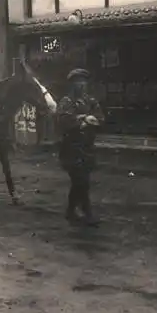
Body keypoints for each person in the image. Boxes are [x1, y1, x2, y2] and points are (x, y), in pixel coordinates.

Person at [56, 68, 105, 225]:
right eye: (77, 82)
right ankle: (87, 212)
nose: (81, 85)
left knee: (81, 181)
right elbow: (62, 120)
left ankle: (70, 211)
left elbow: (101, 118)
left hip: (87, 147)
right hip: (71, 148)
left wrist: (92, 119)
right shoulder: (66, 102)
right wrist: (83, 119)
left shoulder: (91, 101)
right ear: (72, 84)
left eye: (83, 81)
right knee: (81, 180)